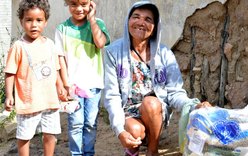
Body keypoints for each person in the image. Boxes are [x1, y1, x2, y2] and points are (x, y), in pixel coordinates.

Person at [103, 1, 211, 156]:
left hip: (155, 112)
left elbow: (175, 92)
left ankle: (153, 150)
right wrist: (119, 130)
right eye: (136, 17)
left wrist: (193, 105)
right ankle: (131, 151)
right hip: (127, 113)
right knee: (134, 131)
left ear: (155, 28)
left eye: (148, 19)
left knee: (151, 103)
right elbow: (112, 96)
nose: (141, 22)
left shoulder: (164, 54)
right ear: (128, 21)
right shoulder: (113, 52)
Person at [4, 0, 67, 155]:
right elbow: (10, 72)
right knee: (25, 135)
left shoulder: (50, 44)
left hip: (50, 101)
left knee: (50, 133)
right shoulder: (18, 47)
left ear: (45, 22)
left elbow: (56, 69)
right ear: (21, 21)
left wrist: (60, 86)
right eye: (29, 20)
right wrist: (8, 95)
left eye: (39, 20)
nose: (34, 25)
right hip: (28, 101)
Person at [54, 0, 110, 155]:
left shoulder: (98, 24)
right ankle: (76, 153)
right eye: (73, 4)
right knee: (76, 124)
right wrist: (66, 84)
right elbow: (60, 59)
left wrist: (92, 19)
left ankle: (89, 153)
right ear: (67, 4)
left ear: (91, 4)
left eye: (84, 4)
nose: (79, 9)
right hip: (73, 86)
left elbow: (100, 43)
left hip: (94, 84)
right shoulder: (62, 29)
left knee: (91, 123)